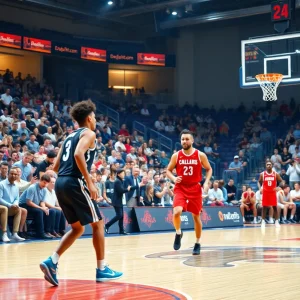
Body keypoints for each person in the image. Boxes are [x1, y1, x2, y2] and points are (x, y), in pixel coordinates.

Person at [40, 100, 122, 287]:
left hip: (61, 182)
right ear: (88, 118)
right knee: (98, 224)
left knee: (78, 228)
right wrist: (90, 182)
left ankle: (51, 261)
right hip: (74, 181)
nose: (96, 120)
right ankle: (102, 269)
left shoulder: (69, 137)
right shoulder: (89, 133)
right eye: (94, 117)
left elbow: (56, 166)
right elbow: (78, 154)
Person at [166, 129, 212, 255]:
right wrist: (174, 178)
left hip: (195, 188)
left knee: (196, 217)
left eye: (187, 139)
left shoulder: (200, 155)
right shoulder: (176, 155)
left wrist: (206, 182)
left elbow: (209, 169)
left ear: (192, 140)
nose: (184, 141)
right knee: (177, 212)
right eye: (182, 139)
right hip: (180, 187)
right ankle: (178, 232)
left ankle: (197, 243)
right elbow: (168, 170)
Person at [105, 168, 137, 235]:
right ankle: (107, 225)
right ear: (119, 174)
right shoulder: (117, 181)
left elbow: (125, 189)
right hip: (116, 201)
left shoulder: (120, 181)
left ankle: (121, 231)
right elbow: (121, 191)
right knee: (119, 215)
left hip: (119, 201)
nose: (124, 175)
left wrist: (135, 187)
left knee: (121, 216)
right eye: (122, 173)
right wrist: (128, 189)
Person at [258, 161, 282, 228]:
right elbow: (259, 182)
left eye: (270, 164)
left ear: (272, 166)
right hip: (265, 192)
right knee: (264, 207)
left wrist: (278, 187)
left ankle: (276, 221)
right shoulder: (262, 174)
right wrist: (260, 188)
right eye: (267, 164)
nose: (268, 166)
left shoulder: (275, 174)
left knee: (274, 207)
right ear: (266, 166)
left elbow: (281, 181)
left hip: (273, 192)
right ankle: (263, 221)